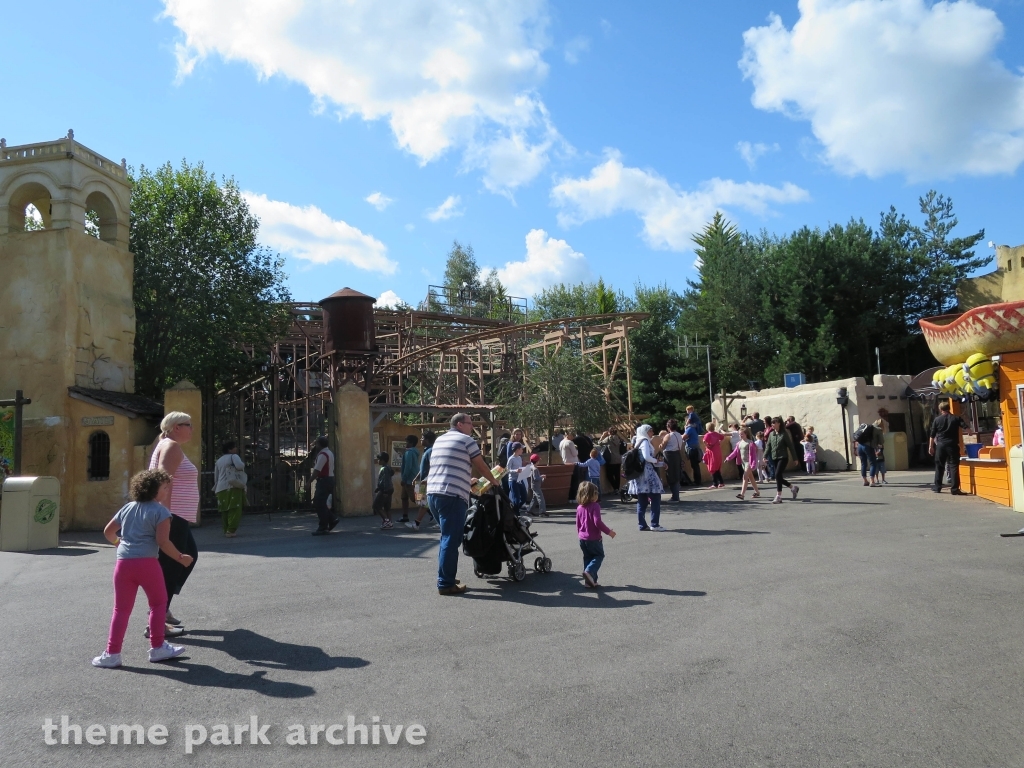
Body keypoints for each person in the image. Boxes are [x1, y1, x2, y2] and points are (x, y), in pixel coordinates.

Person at [92, 470, 192, 668]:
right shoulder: (161, 511)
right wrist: (181, 558)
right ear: (155, 490)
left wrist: (119, 544)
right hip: (147, 564)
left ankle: (112, 654)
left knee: (121, 610)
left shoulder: (128, 507)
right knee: (158, 604)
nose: (167, 490)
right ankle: (157, 647)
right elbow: (162, 542)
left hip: (123, 564)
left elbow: (108, 531)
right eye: (164, 487)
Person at [427, 413, 500, 595]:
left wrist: (467, 480)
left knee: (446, 537)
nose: (472, 426)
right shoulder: (466, 440)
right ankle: (445, 583)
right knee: (451, 540)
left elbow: (447, 467)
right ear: (460, 424)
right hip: (452, 496)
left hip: (433, 494)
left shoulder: (440, 440)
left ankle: (446, 575)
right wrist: (494, 480)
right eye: (470, 423)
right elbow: (481, 465)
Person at [149, 412, 200, 634]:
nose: (192, 428)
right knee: (171, 566)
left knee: (188, 556)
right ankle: (157, 622)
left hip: (178, 517)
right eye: (188, 425)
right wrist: (165, 517)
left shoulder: (167, 444)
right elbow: (163, 481)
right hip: (173, 517)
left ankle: (163, 609)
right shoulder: (171, 447)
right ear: (176, 427)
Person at [576, 481, 615, 588]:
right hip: (593, 538)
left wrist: (580, 535)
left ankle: (590, 581)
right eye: (596, 492)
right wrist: (609, 532)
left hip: (582, 538)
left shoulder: (579, 507)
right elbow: (597, 522)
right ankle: (589, 572)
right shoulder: (595, 506)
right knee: (599, 555)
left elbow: (578, 524)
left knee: (588, 558)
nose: (597, 494)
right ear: (591, 495)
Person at [629, 425, 666, 532]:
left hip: (640, 475)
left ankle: (642, 525)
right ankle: (654, 524)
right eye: (650, 430)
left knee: (642, 500)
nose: (652, 432)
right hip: (647, 474)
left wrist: (658, 463)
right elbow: (647, 457)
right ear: (645, 432)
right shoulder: (644, 441)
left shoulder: (638, 441)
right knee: (655, 497)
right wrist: (656, 461)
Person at [929, 400, 967, 495]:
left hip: (941, 445)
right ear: (949, 408)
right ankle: (954, 489)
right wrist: (969, 431)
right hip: (952, 445)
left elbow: (932, 435)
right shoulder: (956, 418)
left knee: (939, 466)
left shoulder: (937, 420)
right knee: (953, 466)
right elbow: (966, 427)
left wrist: (931, 447)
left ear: (941, 409)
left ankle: (937, 487)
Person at [213, 441, 246, 537]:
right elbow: (240, 466)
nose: (236, 449)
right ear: (230, 450)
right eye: (234, 447)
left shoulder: (219, 460)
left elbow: (216, 477)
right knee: (235, 508)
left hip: (220, 488)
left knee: (224, 510)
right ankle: (231, 530)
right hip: (232, 486)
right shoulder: (234, 457)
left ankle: (226, 529)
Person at [406, 432, 438, 530]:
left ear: (427, 440)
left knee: (424, 503)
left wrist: (426, 479)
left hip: (427, 481)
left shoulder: (432, 451)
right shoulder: (426, 451)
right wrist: (416, 477)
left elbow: (433, 467)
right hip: (423, 481)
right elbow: (423, 468)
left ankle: (417, 523)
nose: (420, 440)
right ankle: (437, 521)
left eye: (422, 438)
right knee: (421, 501)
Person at [765, 417, 800, 504]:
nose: (772, 424)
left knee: (777, 474)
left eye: (774, 423)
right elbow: (768, 446)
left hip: (783, 457)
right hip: (774, 457)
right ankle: (793, 487)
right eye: (772, 423)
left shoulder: (784, 434)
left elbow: (790, 446)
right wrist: (764, 456)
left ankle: (778, 496)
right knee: (778, 477)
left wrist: (795, 458)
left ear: (779, 423)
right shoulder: (771, 434)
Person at [310, 436, 338, 536]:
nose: (316, 445)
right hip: (329, 479)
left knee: (319, 503)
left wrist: (309, 481)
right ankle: (332, 519)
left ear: (320, 444)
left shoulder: (322, 455)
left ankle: (323, 526)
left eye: (316, 443)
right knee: (320, 502)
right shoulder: (329, 452)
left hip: (324, 480)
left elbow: (317, 470)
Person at [728, 427, 760, 500]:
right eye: (739, 434)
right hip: (743, 462)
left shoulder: (750, 443)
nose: (740, 435)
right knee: (751, 478)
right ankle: (757, 492)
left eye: (742, 434)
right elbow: (735, 452)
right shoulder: (739, 443)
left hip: (749, 462)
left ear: (746, 434)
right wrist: (728, 458)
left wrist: (753, 464)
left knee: (745, 477)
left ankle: (742, 494)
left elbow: (754, 455)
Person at [397, 435, 420, 523]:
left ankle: (431, 513)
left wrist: (404, 478)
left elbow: (408, 467)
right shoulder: (411, 452)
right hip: (409, 479)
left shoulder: (409, 453)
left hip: (410, 480)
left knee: (417, 499)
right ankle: (405, 516)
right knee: (404, 497)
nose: (405, 444)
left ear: (411, 443)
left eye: (407, 442)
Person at [661, 419, 685, 501]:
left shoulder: (668, 436)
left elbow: (662, 446)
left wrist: (661, 444)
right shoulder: (679, 435)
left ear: (668, 427)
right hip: (677, 455)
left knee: (670, 475)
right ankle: (676, 495)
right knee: (676, 475)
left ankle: (675, 496)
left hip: (669, 456)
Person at [598, 427, 627, 495]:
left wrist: (603, 436)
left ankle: (615, 488)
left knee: (609, 475)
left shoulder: (609, 438)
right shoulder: (619, 439)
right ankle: (617, 488)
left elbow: (599, 443)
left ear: (609, 432)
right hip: (618, 459)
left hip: (611, 459)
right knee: (617, 475)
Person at [854, 421, 882, 487]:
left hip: (860, 446)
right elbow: (881, 441)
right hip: (868, 446)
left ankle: (865, 481)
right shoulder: (878, 429)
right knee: (873, 463)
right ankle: (872, 481)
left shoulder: (866, 427)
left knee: (863, 464)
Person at [373, 452, 395, 529]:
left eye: (378, 459)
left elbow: (385, 480)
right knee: (387, 507)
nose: (377, 461)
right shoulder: (387, 467)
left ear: (382, 460)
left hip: (385, 490)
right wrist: (378, 488)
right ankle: (390, 522)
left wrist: (384, 491)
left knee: (376, 506)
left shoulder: (384, 468)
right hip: (389, 489)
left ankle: (387, 521)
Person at [506, 442, 529, 514]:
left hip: (520, 479)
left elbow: (520, 467)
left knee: (524, 497)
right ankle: (516, 514)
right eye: (521, 449)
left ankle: (514, 509)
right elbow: (507, 470)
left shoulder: (519, 458)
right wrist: (515, 471)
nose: (522, 450)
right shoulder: (511, 459)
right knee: (516, 498)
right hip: (513, 480)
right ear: (517, 449)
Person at [702, 424, 725, 488]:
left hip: (711, 452)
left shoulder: (707, 434)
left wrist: (708, 446)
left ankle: (715, 483)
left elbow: (704, 441)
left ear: (707, 428)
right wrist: (718, 443)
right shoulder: (716, 434)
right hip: (718, 451)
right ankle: (721, 482)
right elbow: (723, 438)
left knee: (712, 467)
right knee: (717, 467)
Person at [682, 417, 703, 486]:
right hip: (696, 448)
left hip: (692, 449)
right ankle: (698, 480)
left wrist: (685, 429)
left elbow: (684, 437)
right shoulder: (694, 428)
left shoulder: (689, 428)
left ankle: (697, 481)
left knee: (694, 465)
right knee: (696, 465)